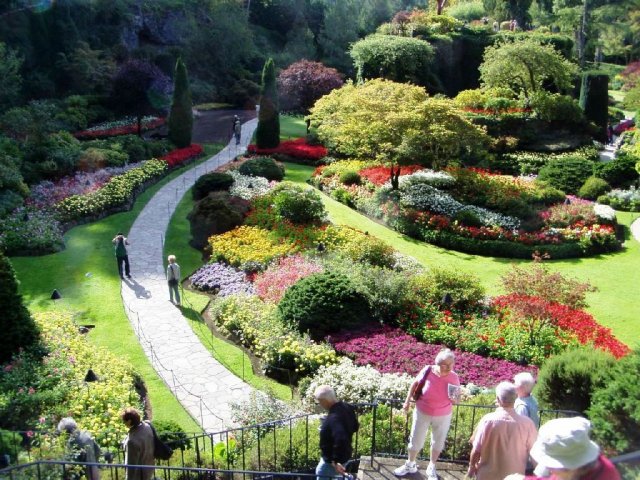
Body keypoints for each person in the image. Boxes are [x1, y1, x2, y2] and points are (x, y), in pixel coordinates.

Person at [394, 348, 461, 480]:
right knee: (415, 440)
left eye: (451, 364)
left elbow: (457, 399)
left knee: (438, 442)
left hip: (443, 414)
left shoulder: (454, 377)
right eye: (445, 365)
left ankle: (431, 467)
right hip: (422, 411)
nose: (448, 367)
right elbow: (414, 385)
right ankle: (410, 464)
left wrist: (455, 399)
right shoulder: (428, 370)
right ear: (438, 364)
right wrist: (407, 402)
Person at [505, 417, 621, 480]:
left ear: (568, 467)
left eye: (550, 465)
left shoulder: (604, 476)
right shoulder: (583, 468)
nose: (549, 469)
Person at [467, 381, 537, 480]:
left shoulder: (487, 420)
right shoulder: (528, 424)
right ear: (516, 397)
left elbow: (476, 449)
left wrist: (472, 466)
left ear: (497, 399)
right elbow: (535, 452)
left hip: (487, 475)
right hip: (514, 476)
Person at [314, 385, 359, 480]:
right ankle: (347, 477)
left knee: (321, 473)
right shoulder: (347, 407)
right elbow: (355, 426)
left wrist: (336, 461)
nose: (320, 404)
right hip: (346, 453)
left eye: (319, 402)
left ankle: (347, 477)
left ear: (325, 401)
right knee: (337, 475)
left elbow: (340, 438)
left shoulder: (333, 418)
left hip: (332, 461)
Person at [121, 407, 155, 480]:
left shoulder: (132, 442)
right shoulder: (147, 427)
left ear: (129, 421)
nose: (123, 423)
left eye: (124, 421)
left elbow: (131, 466)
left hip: (139, 475)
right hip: (149, 468)